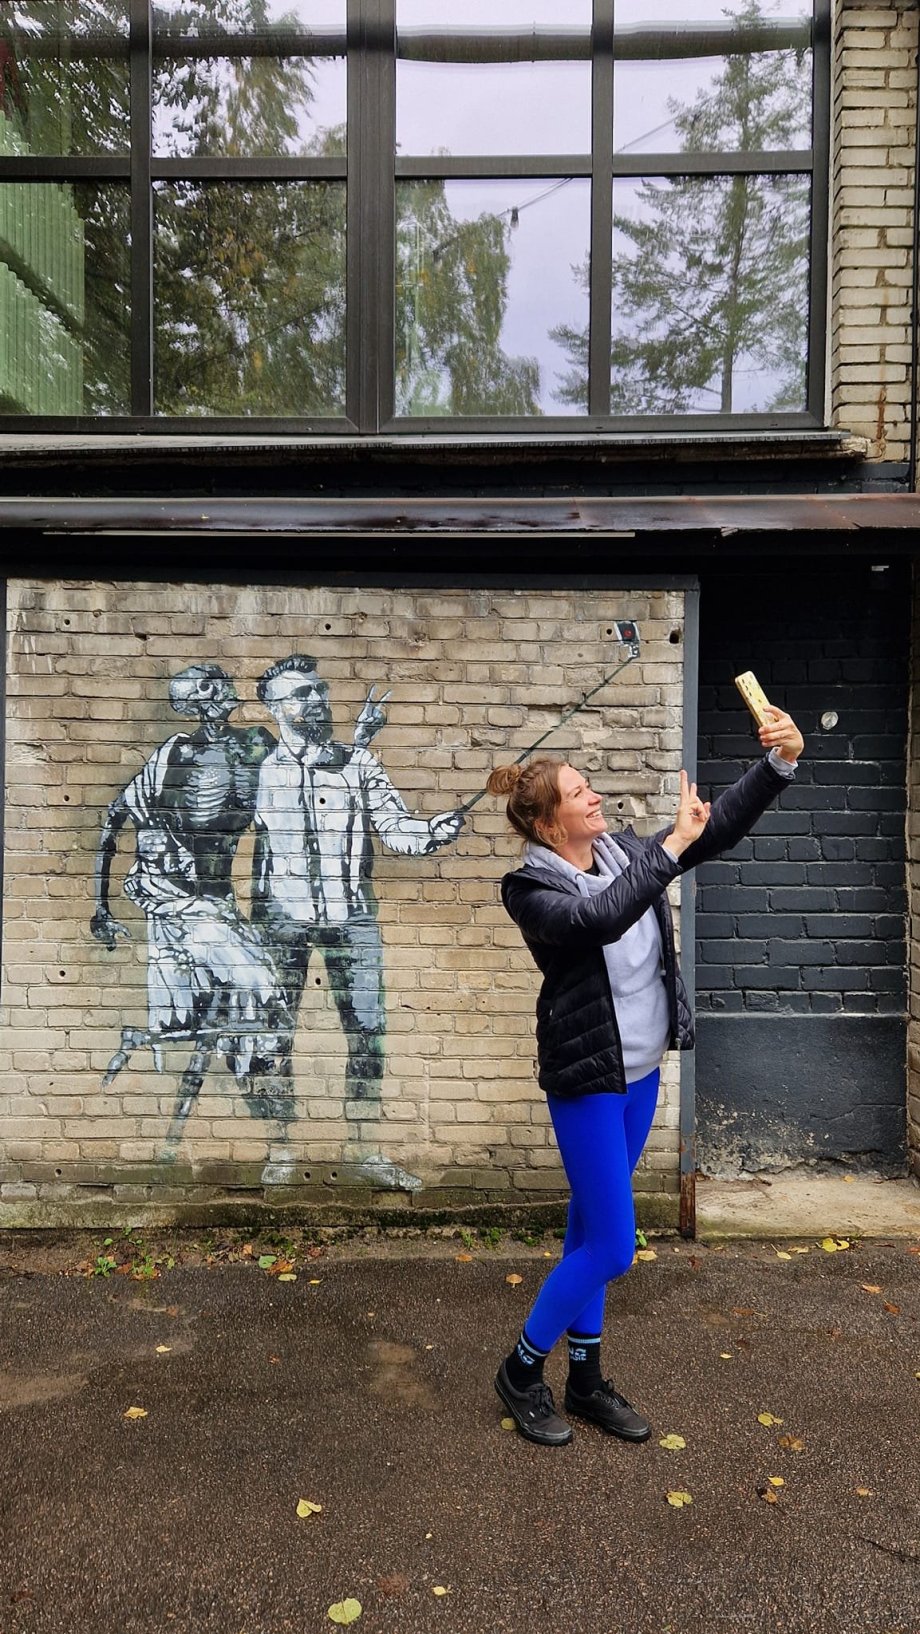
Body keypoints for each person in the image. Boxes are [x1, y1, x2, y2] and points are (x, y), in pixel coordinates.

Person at [488, 705, 805, 1447]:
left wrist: (777, 765)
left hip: (639, 1074)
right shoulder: (529, 890)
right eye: (580, 792)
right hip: (587, 1082)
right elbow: (601, 918)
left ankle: (586, 1379)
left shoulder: (626, 852)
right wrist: (672, 848)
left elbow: (711, 832)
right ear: (549, 825)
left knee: (588, 1231)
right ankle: (521, 1370)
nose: (595, 795)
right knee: (614, 1247)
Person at [251, 654, 464, 1117]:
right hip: (280, 922)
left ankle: (363, 1140)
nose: (317, 699)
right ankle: (277, 1143)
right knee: (272, 1034)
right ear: (275, 707)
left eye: (319, 689)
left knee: (367, 1032)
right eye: (302, 694)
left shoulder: (358, 763)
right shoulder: (260, 771)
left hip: (352, 921)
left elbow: (393, 826)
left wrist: (431, 832)